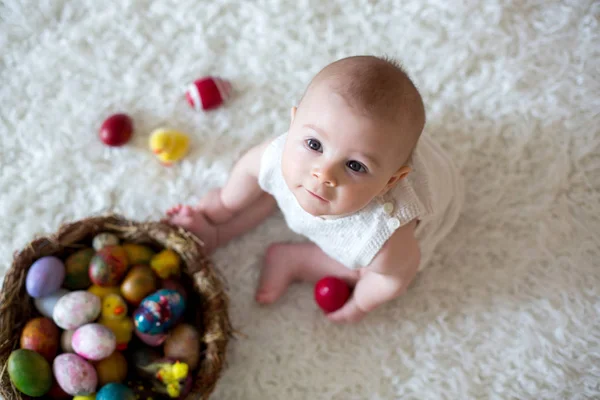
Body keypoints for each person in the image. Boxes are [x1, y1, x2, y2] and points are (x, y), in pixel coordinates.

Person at [165, 55, 464, 323]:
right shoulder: (282, 154)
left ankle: (295, 260)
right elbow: (248, 169)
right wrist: (221, 208)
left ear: (389, 182)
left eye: (355, 166)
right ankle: (216, 232)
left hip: (406, 211)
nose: (323, 174)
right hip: (375, 154)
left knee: (362, 271)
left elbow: (394, 278)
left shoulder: (384, 237)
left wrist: (360, 303)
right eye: (314, 145)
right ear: (294, 123)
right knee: (268, 187)